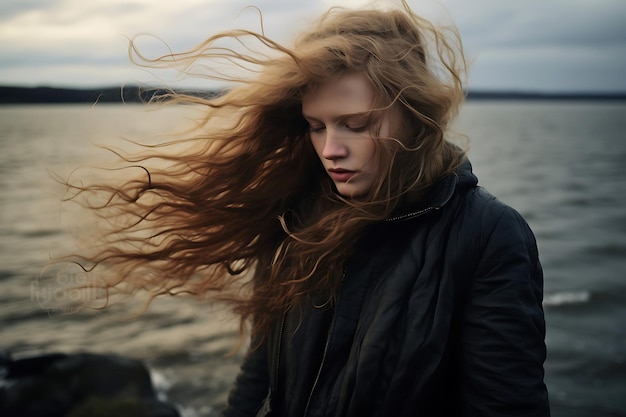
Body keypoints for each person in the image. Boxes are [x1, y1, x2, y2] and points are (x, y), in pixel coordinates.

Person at [64, 1, 550, 416]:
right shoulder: (295, 217)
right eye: (317, 126)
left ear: (415, 116)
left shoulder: (486, 234)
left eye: (355, 124)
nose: (330, 149)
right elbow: (260, 373)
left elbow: (506, 404)